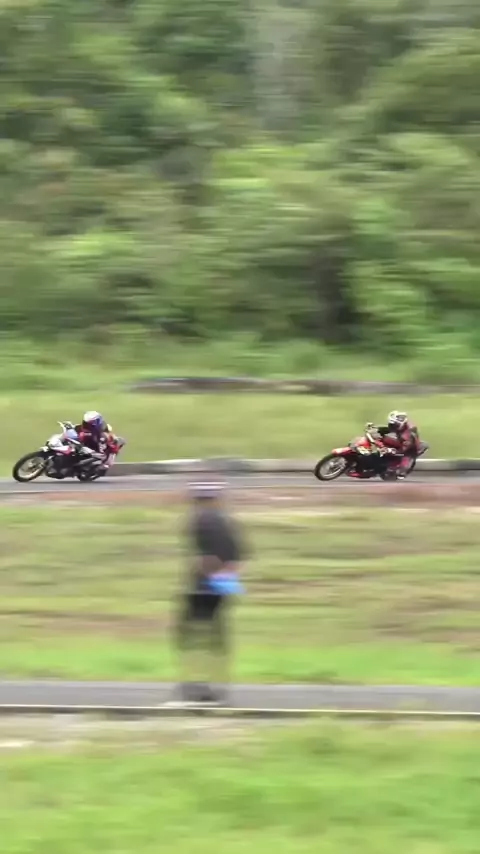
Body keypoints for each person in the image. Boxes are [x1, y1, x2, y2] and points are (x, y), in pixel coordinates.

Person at [174, 482, 246, 706]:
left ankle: (195, 684)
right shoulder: (228, 522)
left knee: (189, 635)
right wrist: (225, 579)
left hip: (202, 586)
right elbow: (238, 556)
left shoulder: (200, 520)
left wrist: (207, 575)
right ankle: (220, 684)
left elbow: (206, 557)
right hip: (222, 585)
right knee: (217, 636)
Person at [367, 410, 420, 479]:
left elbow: (403, 450)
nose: (391, 426)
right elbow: (389, 429)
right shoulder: (401, 427)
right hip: (401, 442)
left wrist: (390, 450)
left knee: (401, 473)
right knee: (381, 437)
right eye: (391, 424)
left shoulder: (407, 436)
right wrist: (376, 429)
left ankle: (395, 467)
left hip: (408, 450)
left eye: (393, 425)